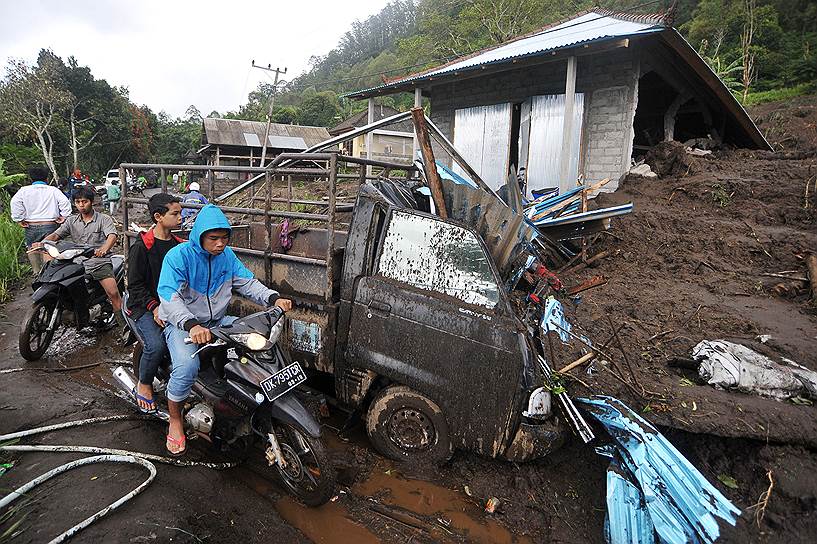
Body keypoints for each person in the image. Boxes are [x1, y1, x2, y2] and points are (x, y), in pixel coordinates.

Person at [158, 204, 292, 456]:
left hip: (218, 322)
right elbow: (169, 296)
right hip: (182, 325)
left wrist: (273, 298)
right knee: (187, 367)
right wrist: (191, 324)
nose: (220, 244)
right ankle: (175, 421)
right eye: (214, 238)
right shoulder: (178, 257)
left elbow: (248, 283)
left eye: (224, 238)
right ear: (199, 236)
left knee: (259, 343)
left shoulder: (227, 257)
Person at [36, 186, 126, 330]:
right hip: (75, 260)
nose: (81, 205)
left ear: (91, 202)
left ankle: (124, 326)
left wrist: (103, 249)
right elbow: (56, 235)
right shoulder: (71, 221)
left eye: (84, 201)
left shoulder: (104, 219)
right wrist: (44, 243)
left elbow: (112, 236)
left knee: (113, 293)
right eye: (78, 202)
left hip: (98, 261)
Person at [126, 193, 183, 412]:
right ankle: (145, 383)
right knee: (156, 345)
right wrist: (155, 307)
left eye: (180, 213)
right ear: (158, 216)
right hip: (145, 306)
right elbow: (135, 286)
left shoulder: (179, 246)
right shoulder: (142, 247)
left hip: (173, 305)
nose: (180, 218)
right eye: (175, 214)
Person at [10, 166, 72, 274]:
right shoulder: (53, 190)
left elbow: (15, 204)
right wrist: (64, 216)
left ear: (31, 179)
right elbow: (65, 203)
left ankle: (36, 272)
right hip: (51, 225)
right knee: (50, 247)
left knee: (32, 247)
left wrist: (19, 219)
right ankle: (48, 273)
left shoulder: (23, 191)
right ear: (46, 179)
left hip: (31, 226)